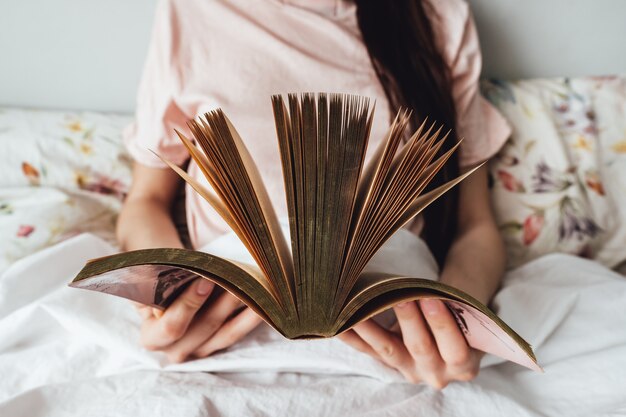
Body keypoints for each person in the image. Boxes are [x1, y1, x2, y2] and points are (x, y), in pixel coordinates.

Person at [117, 0, 511, 389]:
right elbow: (145, 202)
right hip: (228, 333)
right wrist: (166, 299)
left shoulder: (437, 14)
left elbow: (475, 227)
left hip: (394, 338)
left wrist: (457, 324)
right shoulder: (193, 11)